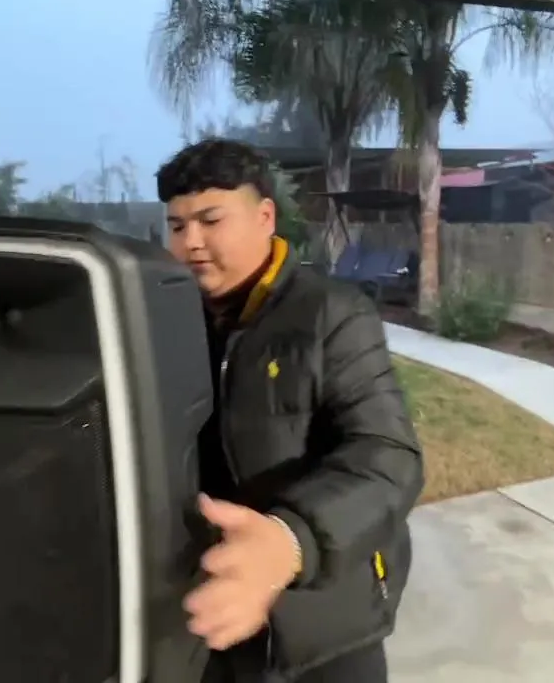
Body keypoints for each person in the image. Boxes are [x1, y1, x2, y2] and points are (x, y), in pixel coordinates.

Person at [155, 138, 424, 683]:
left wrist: (289, 541)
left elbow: (388, 455)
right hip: (211, 615)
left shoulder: (332, 313)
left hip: (323, 621)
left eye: (211, 220)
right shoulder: (165, 321)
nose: (191, 242)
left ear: (265, 217)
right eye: (177, 226)